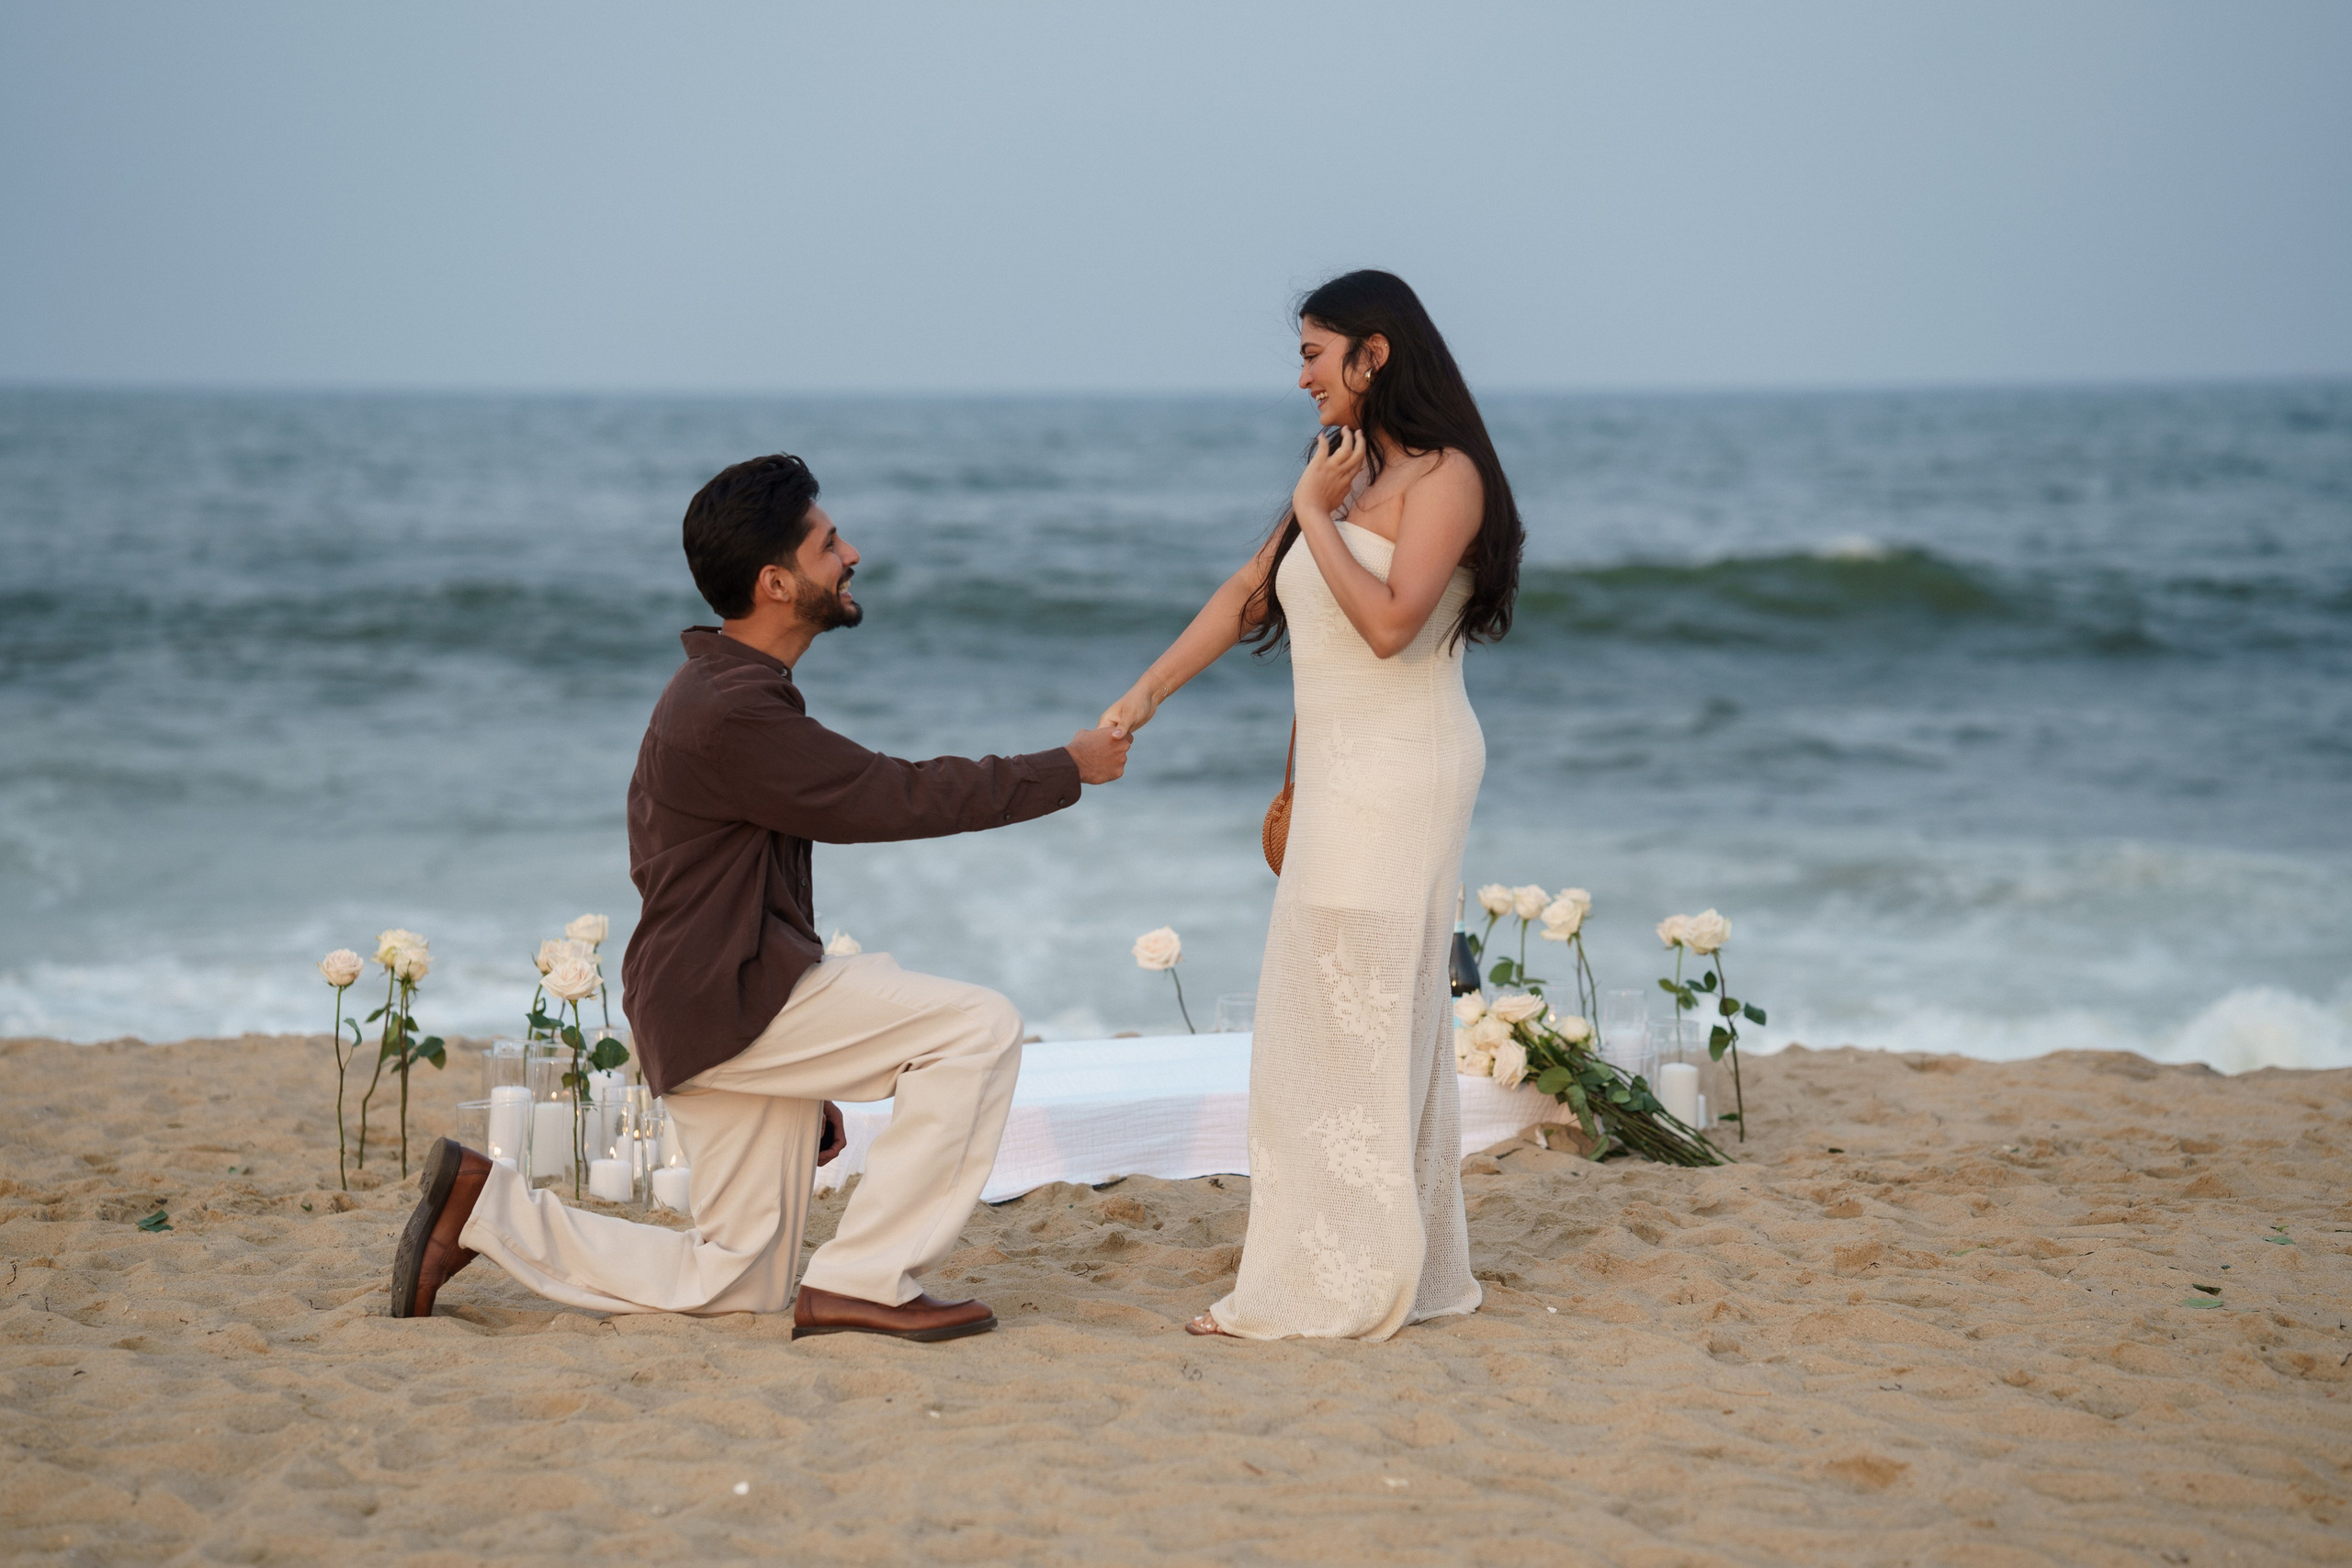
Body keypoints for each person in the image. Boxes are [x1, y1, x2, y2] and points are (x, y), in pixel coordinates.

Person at [390, 453, 1130, 1339]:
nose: (851, 554)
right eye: (829, 544)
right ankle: (864, 1281)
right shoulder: (731, 710)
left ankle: (483, 1209)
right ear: (775, 582)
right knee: (977, 1028)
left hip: (713, 1004)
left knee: (739, 1279)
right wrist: (1066, 767)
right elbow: (893, 795)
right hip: (727, 998)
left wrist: (800, 1068)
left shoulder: (728, 692)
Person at [1100, 270, 1523, 1339]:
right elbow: (1251, 593)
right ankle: (1387, 1268)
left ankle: (1338, 1283)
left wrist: (1308, 514)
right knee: (1326, 1019)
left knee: (1360, 1017)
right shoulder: (1342, 471)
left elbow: (1387, 626)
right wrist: (1144, 697)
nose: (1300, 378)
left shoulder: (1448, 478)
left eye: (1311, 354)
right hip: (1336, 774)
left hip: (1408, 768)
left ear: (1373, 355)